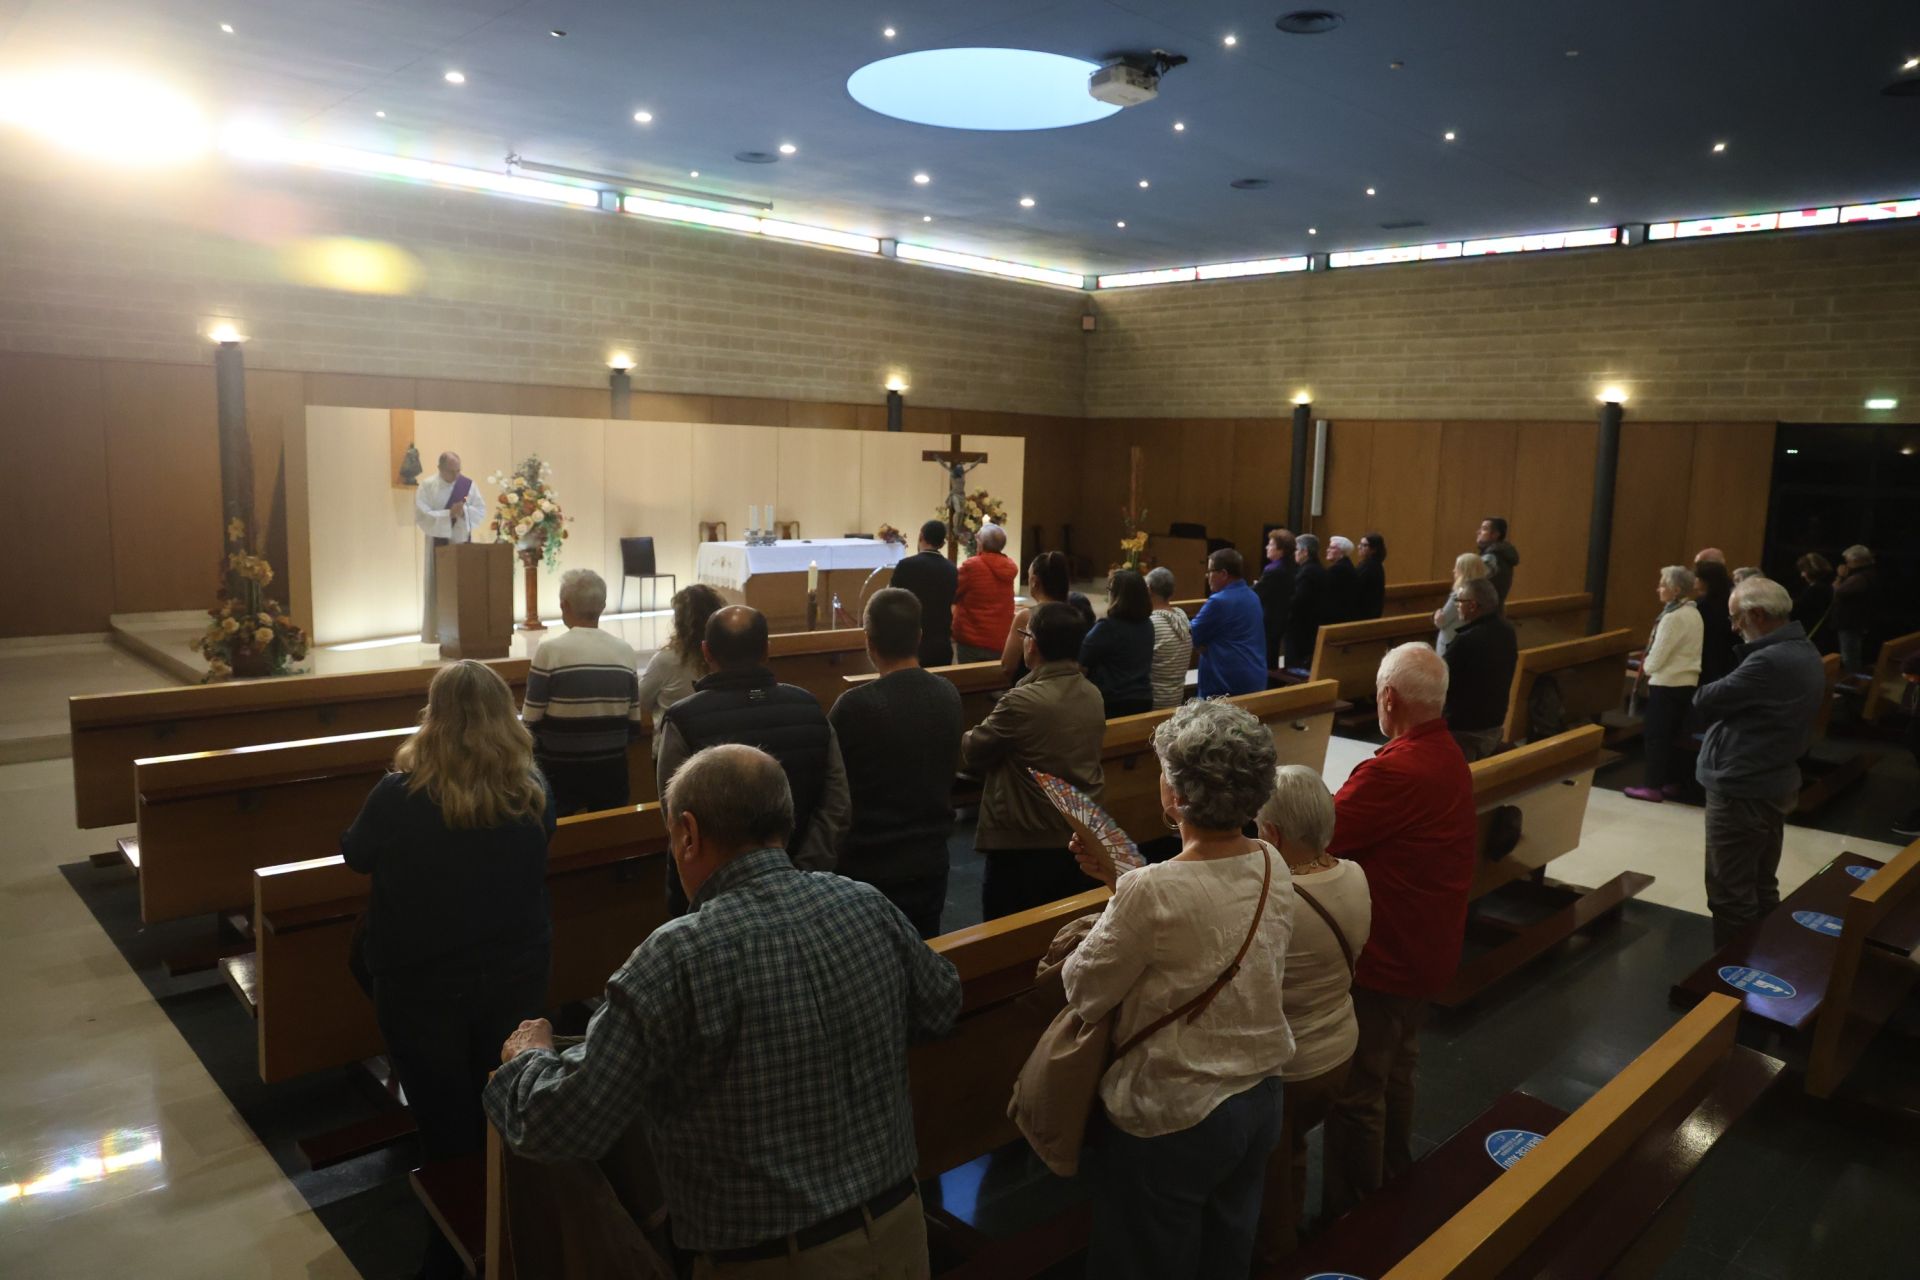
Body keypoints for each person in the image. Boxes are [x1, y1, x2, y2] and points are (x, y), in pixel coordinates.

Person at [484, 744, 962, 1279]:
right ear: (784, 821)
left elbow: (564, 1123)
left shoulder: (676, 957)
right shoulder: (864, 903)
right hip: (901, 1233)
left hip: (774, 1264)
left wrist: (526, 1060)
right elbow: (941, 1005)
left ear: (687, 833)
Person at [1063, 699, 1293, 1280]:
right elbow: (1203, 909)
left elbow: (1085, 990)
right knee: (1225, 1254)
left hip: (1176, 1111)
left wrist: (1117, 901)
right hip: (1260, 1094)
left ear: (1177, 794)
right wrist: (1124, 886)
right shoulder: (1271, 860)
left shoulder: (1149, 890)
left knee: (1142, 1260)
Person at [343, 661, 556, 1280]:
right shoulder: (532, 787)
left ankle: (453, 1251)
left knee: (443, 1118)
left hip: (420, 982)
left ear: (433, 717)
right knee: (503, 1099)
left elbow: (356, 854)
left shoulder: (399, 793)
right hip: (515, 970)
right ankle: (512, 1234)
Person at [1321, 644, 1477, 1218]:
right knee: (1399, 1070)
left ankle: (1354, 1215)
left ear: (1389, 698)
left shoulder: (1393, 770)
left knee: (1359, 1090)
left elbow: (1321, 834)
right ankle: (1393, 1180)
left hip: (1388, 958)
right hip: (1430, 951)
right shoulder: (1447, 753)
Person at [656, 606, 849, 916]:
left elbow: (675, 816)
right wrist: (804, 870)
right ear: (767, 650)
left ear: (706, 652)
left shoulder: (683, 718)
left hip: (711, 900)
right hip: (803, 890)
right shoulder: (809, 707)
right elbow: (836, 802)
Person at [1254, 764, 1371, 1262]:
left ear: (1273, 833)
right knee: (1291, 1150)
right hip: (1338, 1049)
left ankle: (1275, 1258)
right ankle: (1295, 1228)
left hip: (1289, 1064)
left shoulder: (1278, 899)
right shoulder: (1355, 874)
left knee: (1268, 1182)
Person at [1693, 577, 1827, 946]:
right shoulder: (1802, 648)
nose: (1735, 629)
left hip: (1743, 785)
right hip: (1771, 778)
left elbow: (1704, 698)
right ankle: (1765, 960)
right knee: (1761, 883)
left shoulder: (1769, 660)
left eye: (1737, 619)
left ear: (1756, 614)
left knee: (1729, 891)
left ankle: (1730, 983)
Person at [828, 588, 963, 938]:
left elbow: (835, 787)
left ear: (868, 641)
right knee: (925, 950)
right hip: (931, 857)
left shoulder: (854, 706)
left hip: (869, 864)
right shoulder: (947, 693)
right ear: (918, 637)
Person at [962, 602, 1106, 919]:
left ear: (1033, 644)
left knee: (1007, 935)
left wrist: (968, 733)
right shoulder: (1092, 693)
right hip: (1074, 834)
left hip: (1023, 841)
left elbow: (974, 750)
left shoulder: (1021, 702)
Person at [521, 569, 642, 815]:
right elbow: (634, 726)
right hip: (612, 770)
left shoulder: (549, 651)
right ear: (603, 605)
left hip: (559, 771)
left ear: (564, 605)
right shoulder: (625, 651)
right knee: (610, 835)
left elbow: (530, 722)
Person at [1625, 565, 1704, 804]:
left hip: (1667, 682)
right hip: (1686, 681)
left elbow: (1658, 657)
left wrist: (1644, 667)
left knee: (1656, 736)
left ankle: (1652, 786)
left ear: (1676, 589)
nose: (1658, 588)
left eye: (1662, 584)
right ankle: (1671, 782)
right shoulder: (1693, 613)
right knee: (1674, 735)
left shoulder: (1673, 617)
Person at [636, 583, 725, 758]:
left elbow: (642, 701)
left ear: (679, 621)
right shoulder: (727, 655)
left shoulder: (666, 660)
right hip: (719, 749)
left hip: (675, 753)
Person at [414, 449, 488, 642]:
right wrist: (449, 515)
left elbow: (480, 510)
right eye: (451, 471)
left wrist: (464, 512)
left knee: (464, 587)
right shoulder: (428, 486)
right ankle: (438, 633)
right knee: (440, 588)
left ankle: (466, 631)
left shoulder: (467, 485)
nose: (456, 476)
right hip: (438, 543)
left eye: (458, 470)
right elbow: (422, 516)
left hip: (462, 542)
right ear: (440, 468)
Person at [1442, 578, 1518, 761]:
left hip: (1462, 729)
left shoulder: (1466, 640)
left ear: (1473, 605)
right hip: (1494, 723)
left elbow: (1439, 680)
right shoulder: (1507, 632)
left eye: (1460, 600)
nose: (1457, 605)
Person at [1190, 548, 1268, 697]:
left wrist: (1204, 644)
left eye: (1210, 571)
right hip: (1255, 679)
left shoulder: (1219, 601)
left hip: (1226, 688)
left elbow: (1191, 635)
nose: (1207, 576)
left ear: (1223, 574)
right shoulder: (1252, 596)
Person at [1082, 568, 1156, 717]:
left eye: (1109, 589)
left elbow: (1080, 663)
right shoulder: (1148, 625)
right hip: (1143, 699)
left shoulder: (1107, 626)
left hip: (1113, 702)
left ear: (1117, 596)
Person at [888, 519, 958, 669]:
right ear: (942, 543)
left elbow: (891, 600)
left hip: (910, 641)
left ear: (921, 537)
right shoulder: (952, 569)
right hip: (941, 643)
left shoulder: (906, 566)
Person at [1001, 549, 1073, 678]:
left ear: (1034, 581)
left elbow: (1008, 666)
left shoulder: (1026, 617)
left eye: (1028, 577)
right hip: (1070, 687)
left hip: (1030, 688)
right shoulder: (1076, 614)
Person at [951, 522, 1016, 663]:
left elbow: (953, 594)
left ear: (981, 543)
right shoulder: (1008, 566)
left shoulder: (972, 566)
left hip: (972, 639)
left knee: (969, 681)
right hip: (999, 639)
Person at [1146, 566, 1193, 710]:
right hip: (1176, 700)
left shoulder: (1151, 625)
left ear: (1149, 589)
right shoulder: (1182, 618)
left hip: (1154, 702)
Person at [1432, 552, 1492, 657]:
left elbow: (1442, 621)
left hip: (1452, 643)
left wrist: (1437, 614)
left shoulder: (1461, 594)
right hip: (1473, 641)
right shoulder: (1485, 592)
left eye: (1457, 568)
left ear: (1465, 571)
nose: (1454, 570)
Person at [1284, 534, 1328, 673]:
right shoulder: (1319, 568)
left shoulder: (1307, 572)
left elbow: (1298, 601)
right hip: (1313, 624)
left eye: (1297, 550)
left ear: (1305, 552)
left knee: (1295, 667)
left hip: (1301, 628)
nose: (1295, 553)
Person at [1832, 544, 1878, 673]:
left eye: (1848, 561)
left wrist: (1840, 577)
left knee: (1849, 656)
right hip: (1854, 621)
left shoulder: (1860, 577)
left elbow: (1837, 592)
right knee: (1850, 654)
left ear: (1858, 561)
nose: (1846, 564)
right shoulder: (1868, 573)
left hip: (1850, 622)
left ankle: (1851, 683)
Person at [1256, 529, 1297, 669]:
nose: (1267, 547)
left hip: (1270, 618)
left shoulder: (1273, 570)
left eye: (1271, 544)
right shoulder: (1292, 565)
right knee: (1272, 655)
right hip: (1283, 616)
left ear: (1281, 550)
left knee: (1267, 656)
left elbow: (1258, 592)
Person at [1694, 557, 1738, 686]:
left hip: (1706, 659)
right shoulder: (1732, 601)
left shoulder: (1701, 605)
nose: (1695, 581)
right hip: (1728, 659)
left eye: (1697, 578)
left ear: (1706, 581)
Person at [1790, 552, 1837, 655]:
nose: (1802, 575)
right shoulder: (1827, 586)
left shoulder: (1816, 589)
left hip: (1812, 633)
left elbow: (1801, 610)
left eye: (1804, 571)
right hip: (1820, 634)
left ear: (1811, 571)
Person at [1477, 516, 1520, 603]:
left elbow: (1476, 587)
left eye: (1484, 529)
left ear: (1495, 535)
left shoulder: (1491, 558)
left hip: (1485, 610)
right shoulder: (1499, 553)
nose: (1478, 532)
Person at [1323, 536, 1360, 624]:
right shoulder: (1346, 565)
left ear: (1341, 552)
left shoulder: (1338, 569)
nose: (1327, 550)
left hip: (1337, 618)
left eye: (1332, 548)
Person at [1353, 532, 1388, 621]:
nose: (1359, 547)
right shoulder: (1373, 564)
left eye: (1364, 545)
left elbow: (1355, 586)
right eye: (1360, 544)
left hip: (1364, 614)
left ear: (1374, 549)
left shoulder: (1369, 566)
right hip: (1371, 612)